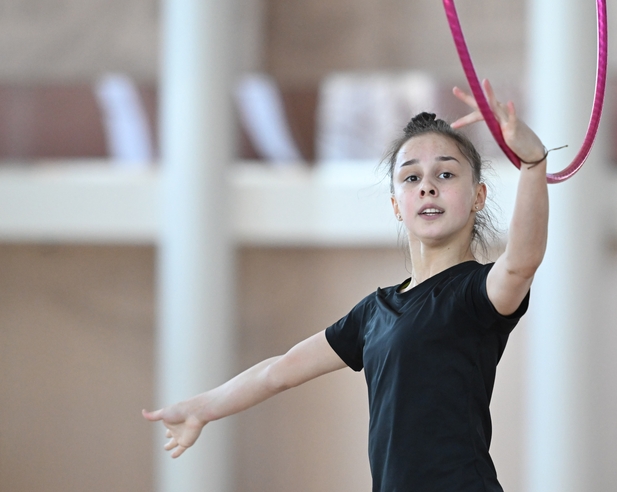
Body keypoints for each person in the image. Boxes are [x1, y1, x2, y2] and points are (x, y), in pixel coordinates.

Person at [143, 78, 549, 492]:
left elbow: (521, 262)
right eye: (411, 178)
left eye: (445, 173)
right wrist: (203, 408)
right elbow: (278, 371)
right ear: (396, 205)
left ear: (478, 196)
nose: (427, 185)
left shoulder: (476, 294)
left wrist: (533, 164)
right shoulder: (375, 313)